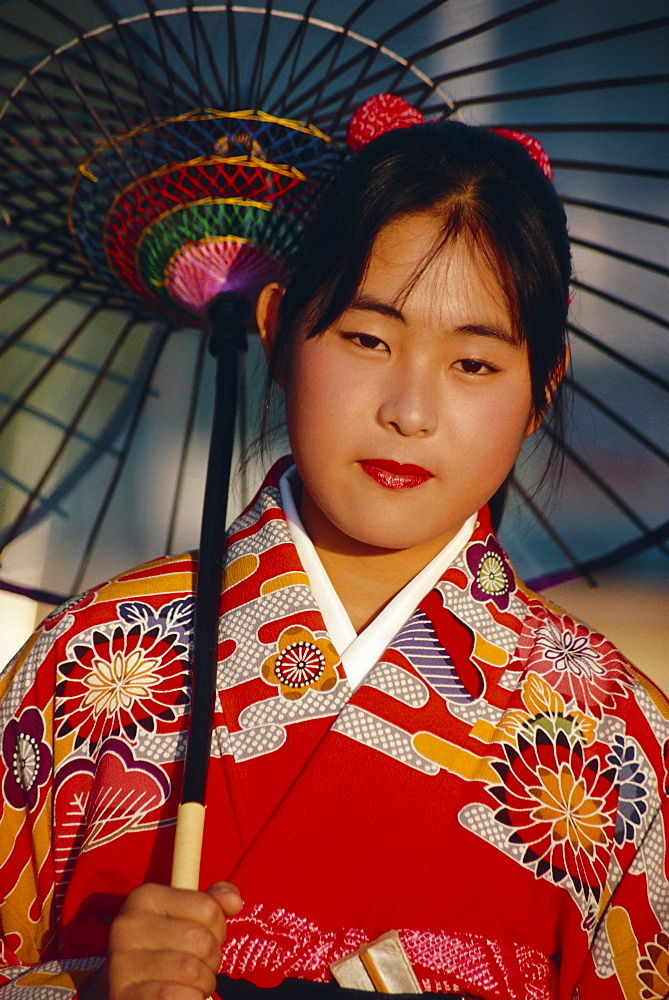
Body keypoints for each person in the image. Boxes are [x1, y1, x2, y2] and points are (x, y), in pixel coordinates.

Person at [1, 101, 667, 1000]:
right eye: (366, 338)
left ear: (540, 387)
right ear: (277, 331)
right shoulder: (89, 667)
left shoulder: (614, 747)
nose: (409, 411)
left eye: (472, 363)